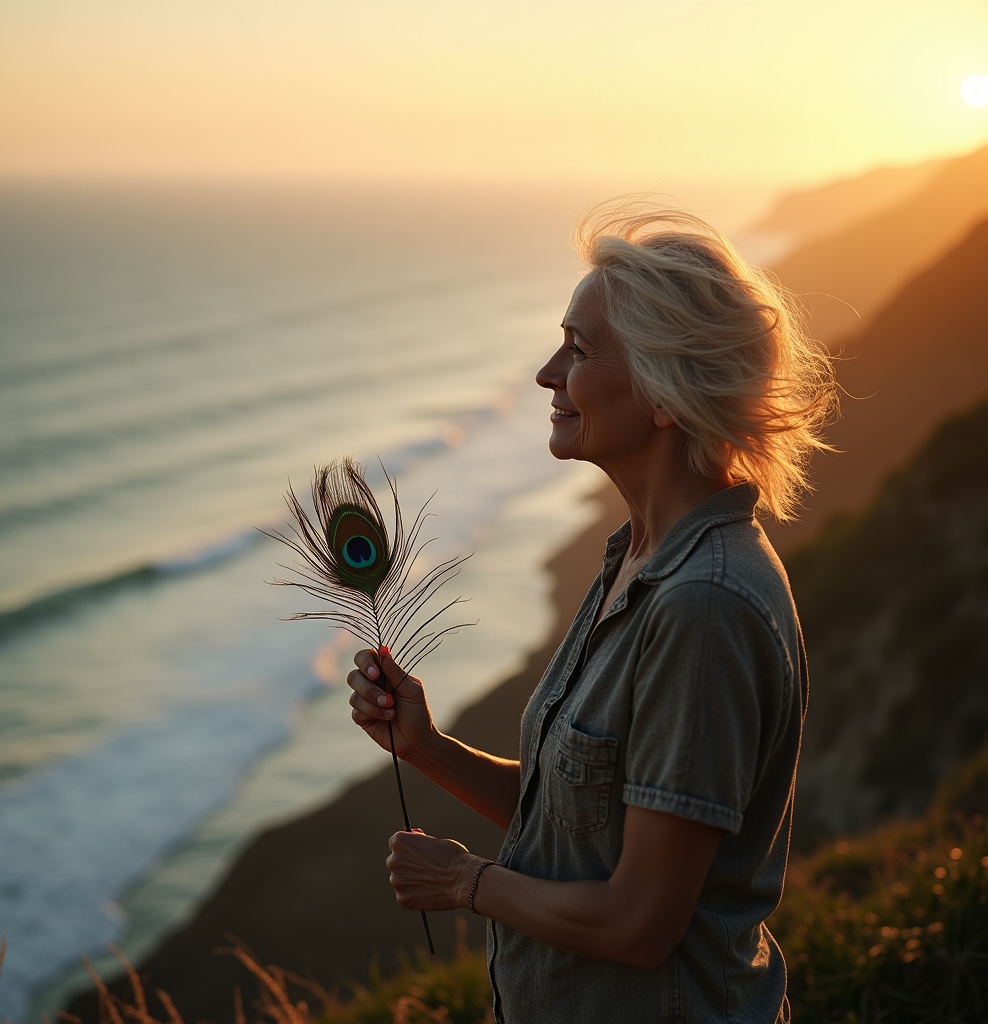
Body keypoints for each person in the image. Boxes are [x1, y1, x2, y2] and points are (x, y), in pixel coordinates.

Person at [346, 205, 837, 1023]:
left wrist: (468, 883)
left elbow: (640, 924)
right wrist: (426, 747)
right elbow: (581, 830)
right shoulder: (634, 560)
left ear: (664, 394)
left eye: (577, 350)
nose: (547, 373)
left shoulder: (704, 606)